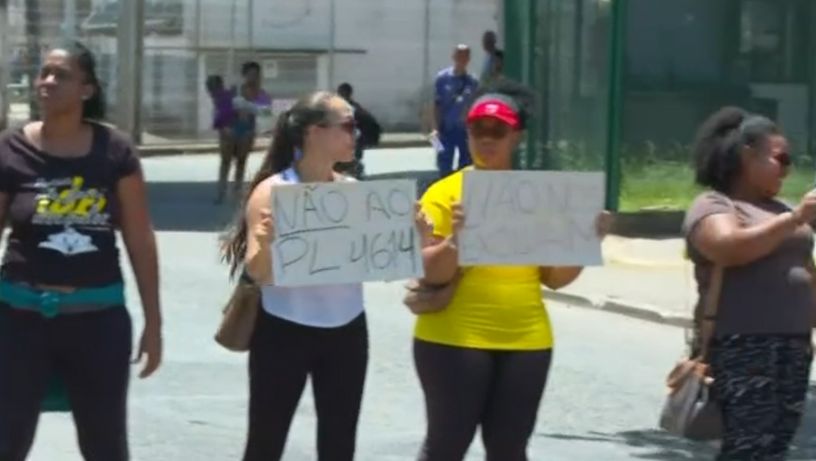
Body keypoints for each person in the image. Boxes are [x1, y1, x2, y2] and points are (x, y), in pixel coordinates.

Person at [222, 90, 427, 461]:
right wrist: (267, 244)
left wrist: (417, 236)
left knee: (339, 444)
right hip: (284, 329)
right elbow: (258, 272)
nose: (356, 135)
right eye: (348, 126)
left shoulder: (354, 193)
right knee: (266, 441)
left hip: (346, 331)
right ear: (314, 132)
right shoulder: (273, 192)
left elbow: (386, 259)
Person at [414, 80, 612, 461]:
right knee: (446, 446)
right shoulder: (444, 192)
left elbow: (554, 278)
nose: (486, 140)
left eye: (497, 131)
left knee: (509, 450)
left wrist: (588, 243)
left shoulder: (538, 195)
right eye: (477, 131)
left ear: (516, 136)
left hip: (527, 340)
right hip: (454, 339)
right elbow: (430, 275)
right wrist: (457, 239)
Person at [0, 41, 162, 461]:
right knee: (7, 440)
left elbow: (140, 239)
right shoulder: (11, 149)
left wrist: (154, 322)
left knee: (105, 445)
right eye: (44, 73)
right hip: (19, 320)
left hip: (98, 323)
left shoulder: (115, 151)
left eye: (62, 74)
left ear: (87, 89)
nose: (48, 81)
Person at [683, 107, 815, 460]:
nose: (788, 168)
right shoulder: (714, 205)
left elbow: (805, 271)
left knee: (774, 447)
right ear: (746, 156)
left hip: (794, 346)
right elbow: (728, 247)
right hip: (744, 346)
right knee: (748, 448)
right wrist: (796, 219)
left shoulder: (781, 209)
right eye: (780, 159)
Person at [215, 61, 272, 204]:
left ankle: (236, 191)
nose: (254, 77)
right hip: (230, 131)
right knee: (225, 161)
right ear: (244, 75)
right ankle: (221, 191)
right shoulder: (235, 90)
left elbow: (266, 112)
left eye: (256, 74)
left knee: (241, 162)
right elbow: (222, 110)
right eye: (250, 74)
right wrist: (224, 129)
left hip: (246, 132)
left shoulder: (261, 94)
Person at [432, 44, 479, 178]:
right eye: (459, 55)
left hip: (464, 130)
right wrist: (434, 128)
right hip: (445, 128)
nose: (462, 59)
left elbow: (474, 105)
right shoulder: (442, 78)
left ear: (469, 59)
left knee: (466, 163)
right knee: (443, 161)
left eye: (465, 56)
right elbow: (436, 104)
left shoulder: (473, 82)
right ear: (453, 56)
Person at [334, 82, 382, 179]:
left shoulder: (349, 109)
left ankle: (354, 173)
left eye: (341, 93)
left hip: (356, 142)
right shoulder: (352, 107)